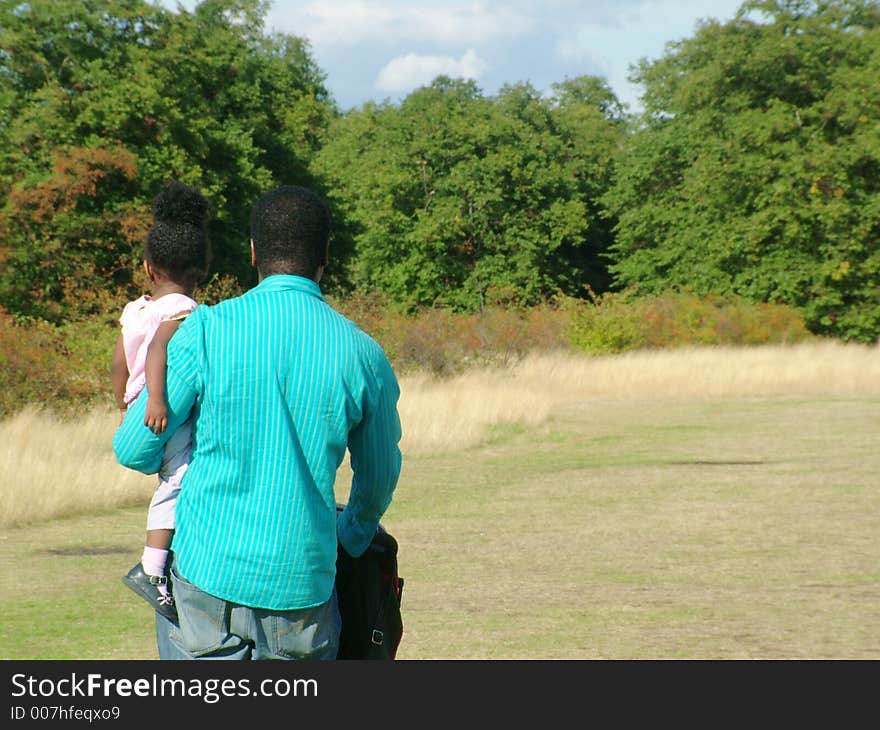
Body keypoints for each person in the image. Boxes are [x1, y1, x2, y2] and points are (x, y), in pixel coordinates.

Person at [113, 185, 402, 660]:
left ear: (252, 252)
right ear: (325, 253)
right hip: (303, 588)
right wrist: (350, 534)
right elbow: (380, 475)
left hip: (205, 578)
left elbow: (134, 449)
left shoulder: (204, 330)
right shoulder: (363, 353)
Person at [110, 181, 211, 624]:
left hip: (136, 400)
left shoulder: (134, 309)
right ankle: (152, 570)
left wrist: (123, 403)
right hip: (160, 401)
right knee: (178, 476)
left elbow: (118, 361)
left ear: (147, 267)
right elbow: (158, 352)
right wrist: (156, 399)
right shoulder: (184, 307)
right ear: (201, 270)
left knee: (168, 476)